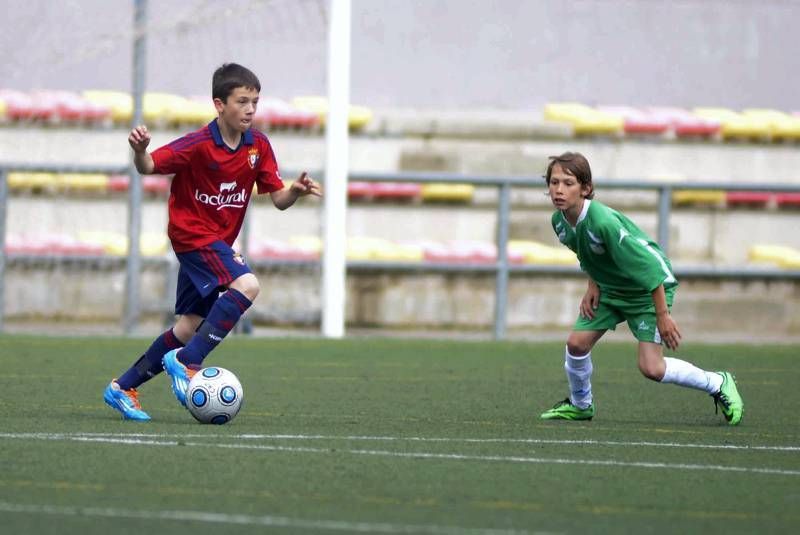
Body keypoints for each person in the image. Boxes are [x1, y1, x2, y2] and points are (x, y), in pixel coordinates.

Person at [104, 63, 321, 421]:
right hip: (191, 235)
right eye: (242, 101)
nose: (251, 109)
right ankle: (189, 364)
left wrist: (294, 192)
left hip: (214, 242)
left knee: (189, 326)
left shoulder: (259, 146)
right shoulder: (198, 144)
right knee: (247, 285)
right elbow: (148, 166)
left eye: (255, 101)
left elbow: (277, 198)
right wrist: (140, 151)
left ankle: (122, 387)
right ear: (219, 105)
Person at [539, 152, 743, 425]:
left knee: (652, 367)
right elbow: (587, 254)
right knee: (576, 344)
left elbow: (651, 268)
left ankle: (718, 382)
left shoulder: (603, 222)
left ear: (585, 189)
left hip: (647, 290)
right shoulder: (559, 222)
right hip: (611, 289)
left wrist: (662, 315)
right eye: (554, 182)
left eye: (568, 183)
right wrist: (593, 284)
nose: (559, 190)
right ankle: (581, 405)